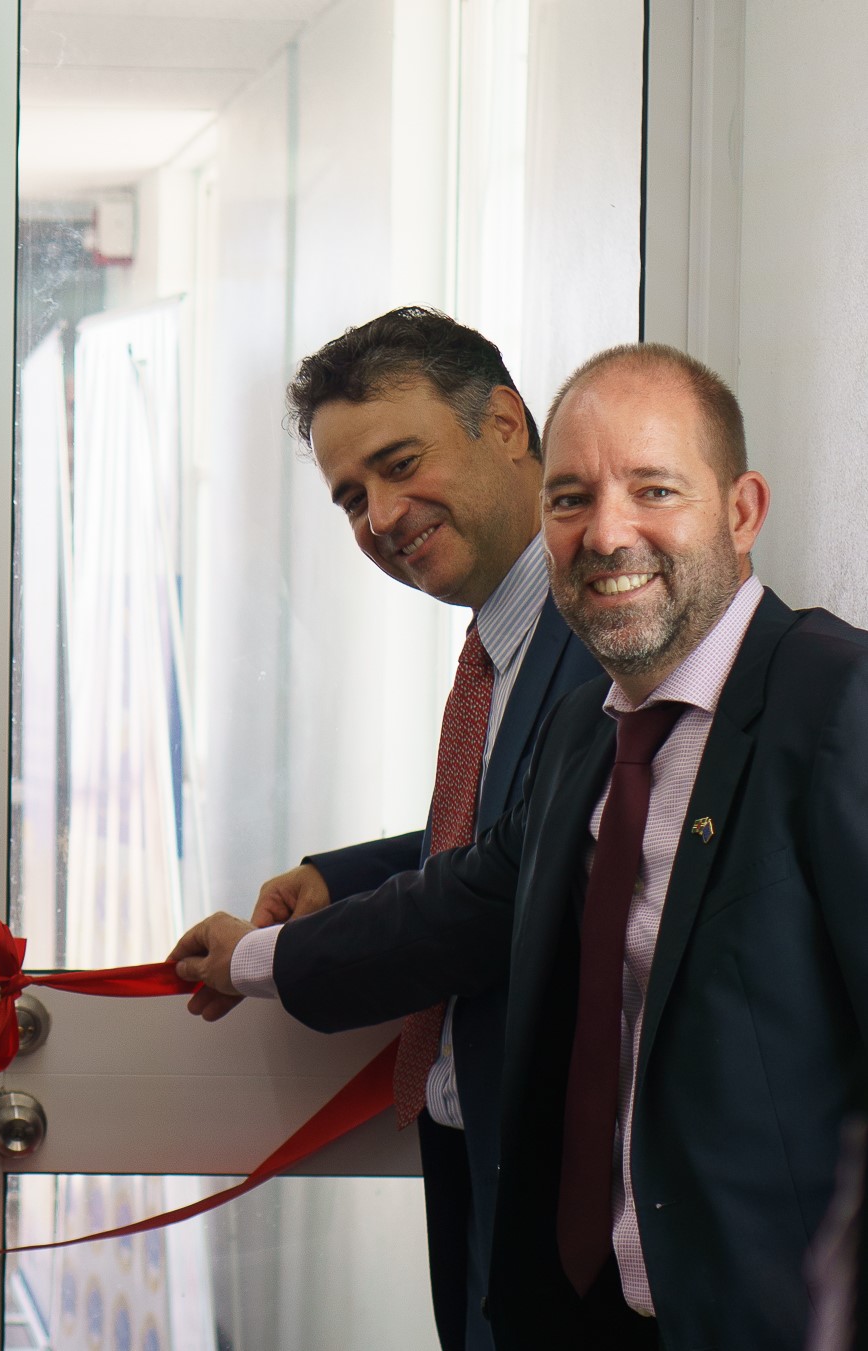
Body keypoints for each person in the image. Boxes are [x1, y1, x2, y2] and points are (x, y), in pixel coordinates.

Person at [173, 342, 868, 1350]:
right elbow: (477, 886)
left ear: (742, 511)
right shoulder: (594, 723)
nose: (606, 533)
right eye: (572, 500)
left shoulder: (833, 704)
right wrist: (252, 957)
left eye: (653, 489)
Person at [221, 307, 600, 1351]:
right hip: (474, 1174)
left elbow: (505, 890)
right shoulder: (506, 639)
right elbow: (510, 825)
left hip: (569, 1223)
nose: (381, 515)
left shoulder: (602, 631)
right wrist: (336, 880)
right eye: (351, 497)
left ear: (509, 426)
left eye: (399, 464)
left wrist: (264, 958)